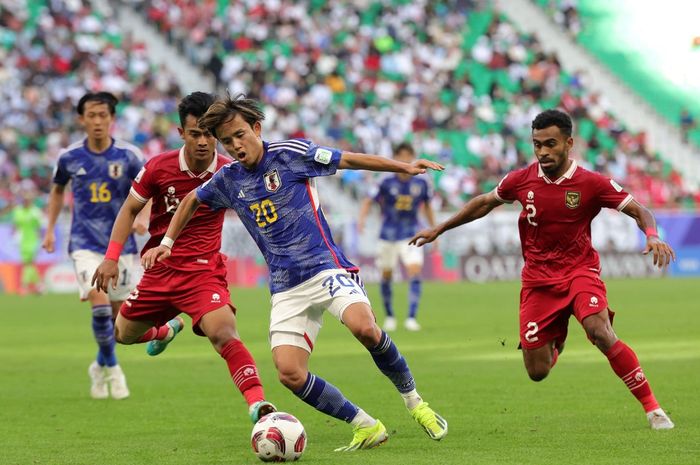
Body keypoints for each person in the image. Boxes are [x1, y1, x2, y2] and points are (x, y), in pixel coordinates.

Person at [142, 94, 449, 451]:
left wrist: (404, 167)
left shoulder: (290, 153)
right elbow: (193, 199)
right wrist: (167, 241)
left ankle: (416, 403)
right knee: (289, 373)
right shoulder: (228, 179)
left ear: (257, 128)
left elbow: (347, 158)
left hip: (326, 268)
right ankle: (365, 425)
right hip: (286, 288)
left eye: (240, 135)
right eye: (227, 141)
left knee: (365, 327)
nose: (235, 146)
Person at [410, 109, 675, 430]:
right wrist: (439, 228)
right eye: (537, 144)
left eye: (551, 144)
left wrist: (652, 235)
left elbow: (639, 209)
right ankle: (557, 337)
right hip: (537, 282)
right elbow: (483, 202)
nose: (543, 152)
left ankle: (653, 409)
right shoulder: (520, 180)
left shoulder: (591, 183)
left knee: (600, 331)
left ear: (569, 143)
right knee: (537, 372)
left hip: (580, 272)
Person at [91, 91, 275, 423]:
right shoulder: (158, 167)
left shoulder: (229, 171)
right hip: (159, 271)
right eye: (195, 134)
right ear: (181, 134)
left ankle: (259, 405)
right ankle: (166, 330)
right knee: (122, 335)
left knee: (224, 334)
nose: (204, 142)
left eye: (209, 134)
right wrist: (111, 257)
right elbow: (129, 209)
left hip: (203, 272)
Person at [42, 91, 147, 400]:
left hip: (121, 247)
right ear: (81, 119)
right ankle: (114, 370)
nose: (98, 121)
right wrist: (50, 230)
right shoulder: (69, 157)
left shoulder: (129, 156)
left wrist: (142, 216)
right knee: (98, 304)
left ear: (112, 119)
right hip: (84, 243)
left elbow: (146, 191)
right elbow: (58, 191)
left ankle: (99, 364)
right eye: (92, 115)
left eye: (104, 115)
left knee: (118, 323)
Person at [357, 142, 437, 332]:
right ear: (395, 157)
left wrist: (435, 230)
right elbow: (369, 200)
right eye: (400, 156)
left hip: (411, 234)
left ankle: (411, 317)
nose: (404, 160)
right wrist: (362, 220)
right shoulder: (386, 182)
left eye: (408, 156)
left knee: (415, 272)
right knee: (386, 275)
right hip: (387, 235)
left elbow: (427, 207)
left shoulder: (421, 183)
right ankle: (390, 316)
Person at [11, 190, 43, 295]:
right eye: (25, 199)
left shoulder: (35, 212)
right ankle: (39, 285)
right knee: (29, 264)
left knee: (28, 264)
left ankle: (24, 286)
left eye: (28, 199)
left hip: (33, 241)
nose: (26, 201)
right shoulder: (18, 211)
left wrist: (40, 240)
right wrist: (14, 237)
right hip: (22, 241)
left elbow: (39, 227)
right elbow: (15, 226)